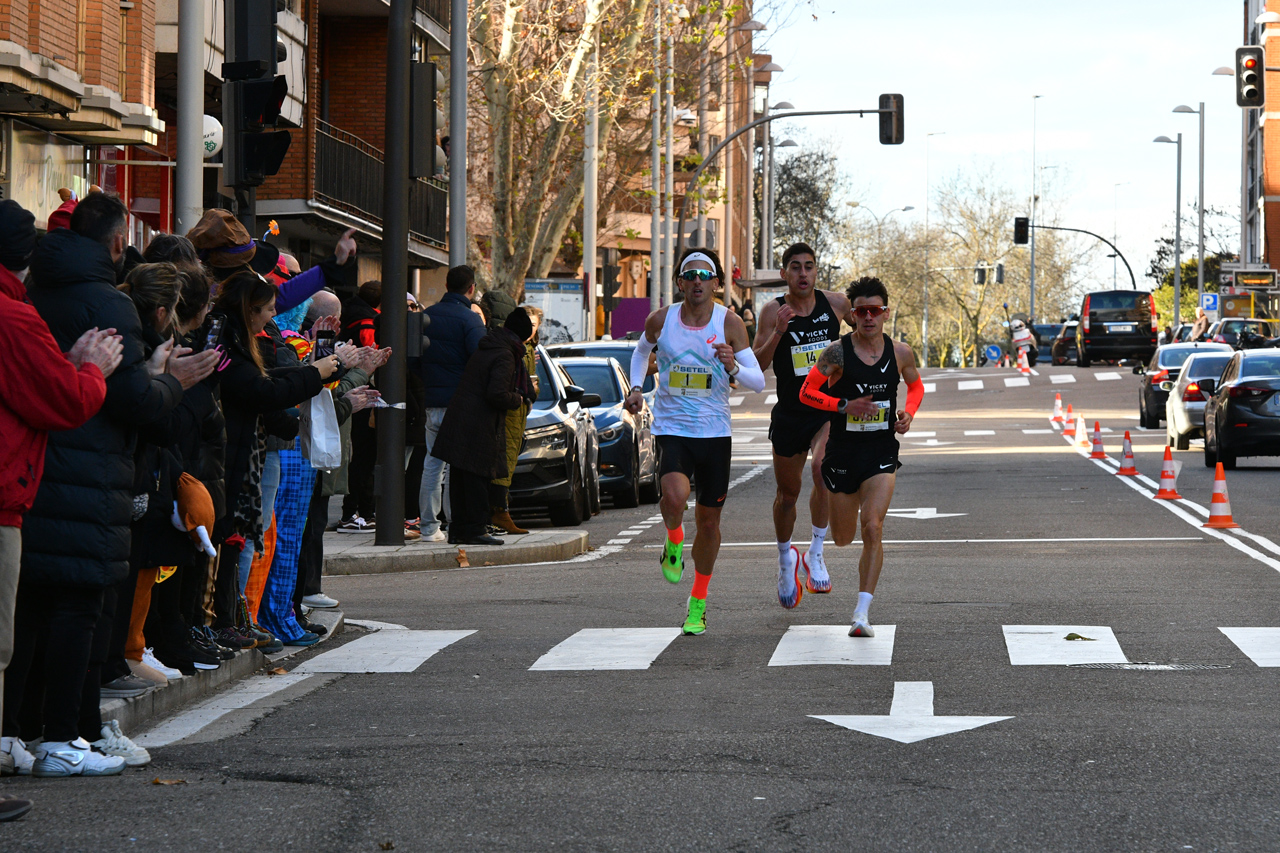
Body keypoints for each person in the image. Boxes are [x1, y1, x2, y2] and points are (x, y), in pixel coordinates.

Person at [7, 192, 194, 778]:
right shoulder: (106, 304)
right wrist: (170, 380)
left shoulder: (31, 295)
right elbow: (126, 399)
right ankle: (65, 737)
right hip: (88, 476)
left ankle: (15, 732)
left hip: (32, 470)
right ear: (117, 242)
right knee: (80, 611)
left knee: (25, 613)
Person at [0, 199, 120, 808]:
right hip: (8, 493)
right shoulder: (12, 315)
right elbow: (63, 402)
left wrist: (67, 367)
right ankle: (51, 739)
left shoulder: (24, 308)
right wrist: (91, 370)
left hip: (26, 492)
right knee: (4, 639)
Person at [624, 248, 765, 635]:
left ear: (717, 283)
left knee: (709, 522)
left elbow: (757, 381)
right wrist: (636, 387)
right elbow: (640, 352)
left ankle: (698, 602)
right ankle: (673, 539)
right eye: (691, 275)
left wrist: (732, 365)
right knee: (674, 497)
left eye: (705, 275)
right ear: (680, 283)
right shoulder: (661, 320)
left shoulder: (729, 323)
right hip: (673, 428)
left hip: (714, 434)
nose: (698, 281)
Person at [798, 276, 924, 638]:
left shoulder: (900, 352)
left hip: (881, 451)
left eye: (875, 310)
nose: (869, 317)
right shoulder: (836, 353)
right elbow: (807, 392)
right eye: (861, 311)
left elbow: (915, 385)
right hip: (842, 452)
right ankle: (809, 555)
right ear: (852, 315)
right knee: (842, 538)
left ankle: (861, 613)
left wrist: (909, 413)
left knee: (873, 526)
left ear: (886, 313)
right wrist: (843, 405)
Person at [751, 242, 853, 608]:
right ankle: (785, 560)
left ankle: (816, 552)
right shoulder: (772, 311)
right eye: (795, 267)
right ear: (784, 274)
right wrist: (779, 331)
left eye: (809, 266)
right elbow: (757, 367)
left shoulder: (836, 305)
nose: (803, 273)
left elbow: (866, 334)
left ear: (816, 271)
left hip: (826, 410)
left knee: (823, 468)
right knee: (787, 496)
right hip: (791, 413)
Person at [432, 309, 536, 546]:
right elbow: (497, 393)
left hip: (464, 419)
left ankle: (459, 530)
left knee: (461, 478)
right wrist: (518, 399)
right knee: (478, 478)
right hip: (479, 424)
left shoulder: (490, 346)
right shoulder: (505, 355)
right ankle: (475, 529)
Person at [417, 266, 486, 542]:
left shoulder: (426, 316)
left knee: (432, 464)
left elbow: (413, 360)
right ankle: (454, 523)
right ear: (471, 288)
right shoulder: (470, 320)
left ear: (446, 285)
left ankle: (428, 527)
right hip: (460, 404)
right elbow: (480, 361)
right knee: (457, 467)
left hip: (433, 401)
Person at [490, 305, 542, 535]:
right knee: (503, 462)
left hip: (518, 413)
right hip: (511, 413)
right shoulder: (513, 350)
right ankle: (499, 513)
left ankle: (501, 511)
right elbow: (507, 388)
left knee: (507, 462)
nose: (531, 330)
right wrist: (526, 395)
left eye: (535, 325)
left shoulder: (524, 349)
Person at [336, 281, 381, 532]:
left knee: (359, 457)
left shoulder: (350, 317)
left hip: (348, 391)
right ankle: (357, 512)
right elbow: (372, 357)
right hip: (362, 393)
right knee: (364, 458)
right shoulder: (368, 324)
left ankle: (355, 511)